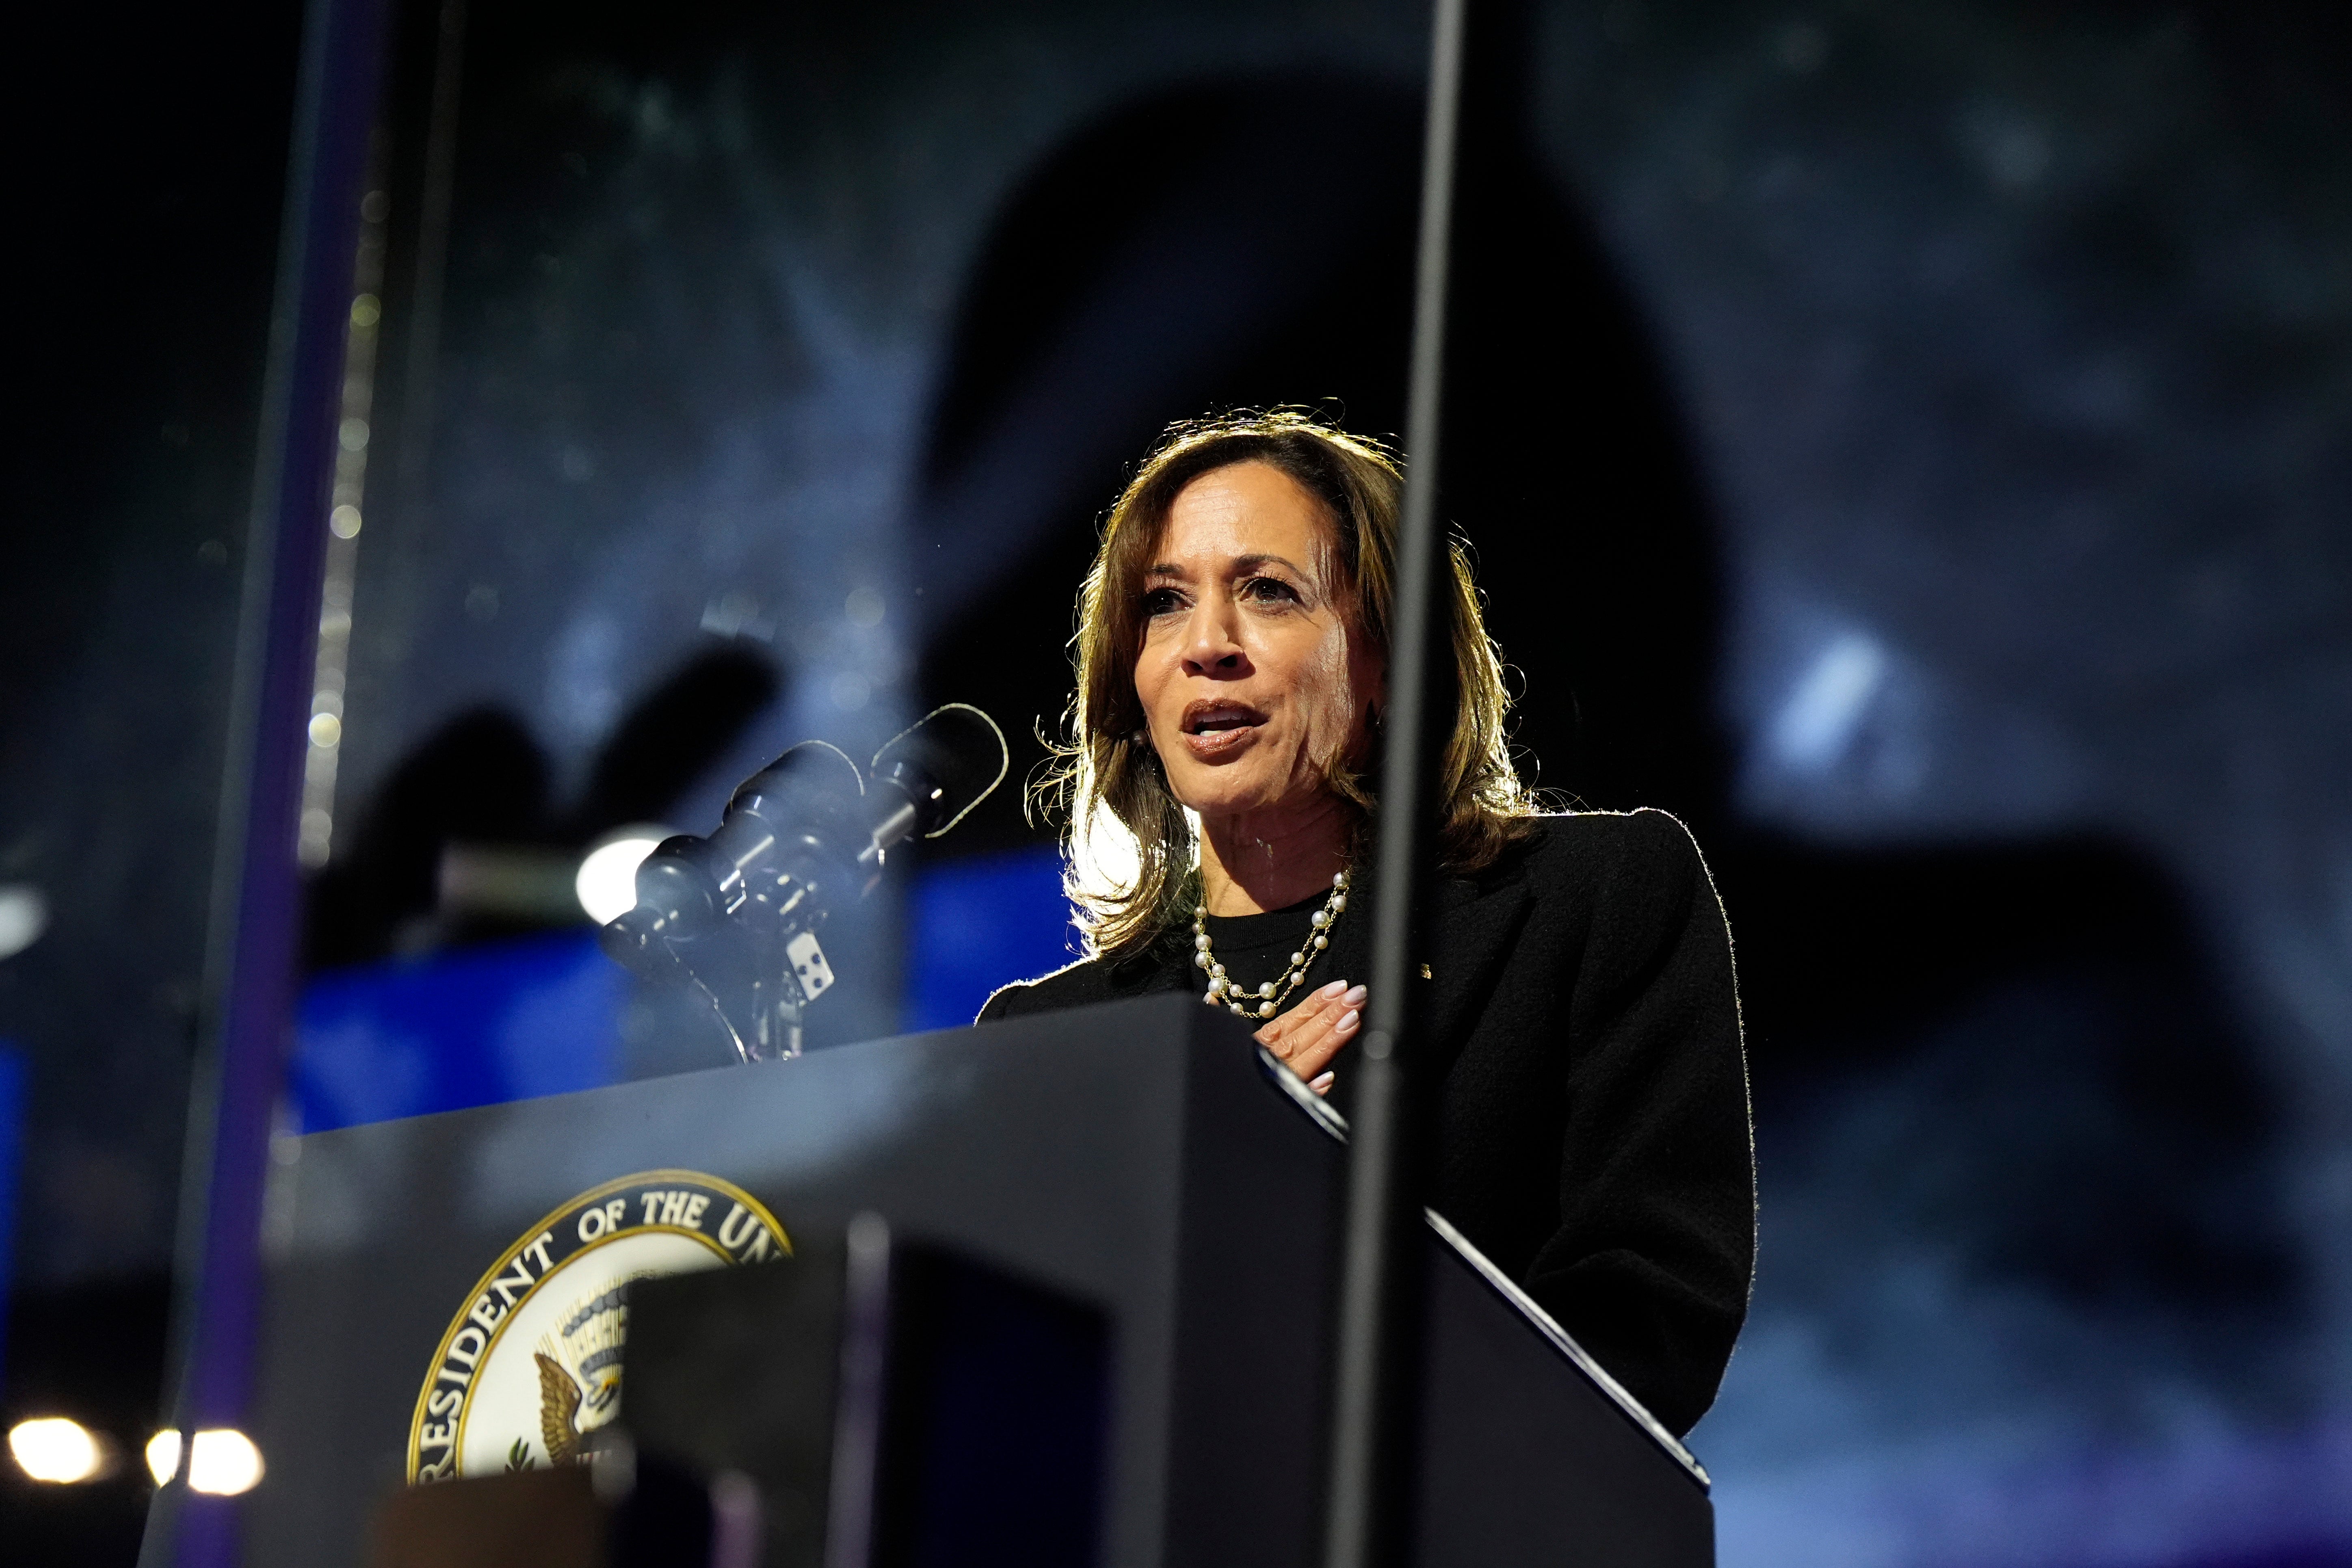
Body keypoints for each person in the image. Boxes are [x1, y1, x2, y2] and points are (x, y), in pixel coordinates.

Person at [978, 411, 1753, 1438]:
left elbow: (1648, 1324)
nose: (1207, 645)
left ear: (1388, 657)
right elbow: (1014, 1399)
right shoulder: (1046, 1040)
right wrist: (1200, 1186)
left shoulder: (1591, 901)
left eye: (1268, 592)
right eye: (1164, 604)